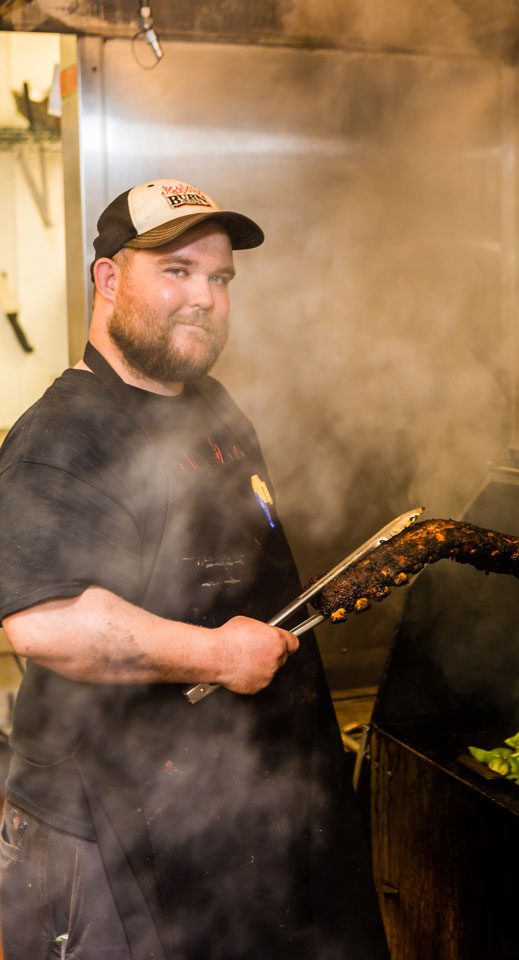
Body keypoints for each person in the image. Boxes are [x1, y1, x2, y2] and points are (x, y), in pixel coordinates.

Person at [0, 179, 390, 960]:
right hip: (107, 834)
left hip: (235, 812)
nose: (205, 298)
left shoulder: (212, 407)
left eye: (219, 279)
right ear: (109, 280)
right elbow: (44, 625)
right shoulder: (60, 436)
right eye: (176, 271)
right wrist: (219, 655)